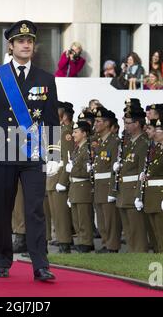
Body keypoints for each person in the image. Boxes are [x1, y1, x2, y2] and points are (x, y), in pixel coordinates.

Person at [0, 20, 60, 281]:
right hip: (4, 152)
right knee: (2, 209)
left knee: (35, 210)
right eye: (20, 41)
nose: (26, 45)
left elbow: (51, 120)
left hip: (33, 154)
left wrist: (54, 153)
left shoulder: (46, 78)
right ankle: (2, 260)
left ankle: (40, 265)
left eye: (30, 41)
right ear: (10, 46)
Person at [114, 101, 149, 252]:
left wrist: (139, 196)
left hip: (134, 191)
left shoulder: (143, 143)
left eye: (128, 123)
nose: (126, 126)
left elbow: (143, 172)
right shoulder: (128, 143)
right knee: (129, 231)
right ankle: (132, 255)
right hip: (124, 192)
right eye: (124, 122)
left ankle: (139, 255)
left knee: (137, 231)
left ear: (137, 124)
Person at [93, 107, 122, 253]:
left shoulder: (114, 141)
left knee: (111, 218)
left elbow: (114, 169)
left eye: (98, 121)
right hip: (99, 185)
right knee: (102, 218)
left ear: (106, 123)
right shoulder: (100, 141)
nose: (95, 124)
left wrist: (113, 189)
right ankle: (105, 243)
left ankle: (112, 246)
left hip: (108, 185)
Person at [66, 121, 94, 253]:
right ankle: (81, 241)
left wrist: (73, 170)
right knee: (76, 219)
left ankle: (86, 242)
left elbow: (88, 171)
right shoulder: (77, 148)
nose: (73, 134)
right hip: (75, 186)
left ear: (84, 133)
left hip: (83, 185)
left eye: (76, 132)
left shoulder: (88, 148)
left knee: (84, 217)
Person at [53, 102, 75, 253]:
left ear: (64, 116)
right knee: (56, 213)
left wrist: (63, 180)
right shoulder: (59, 131)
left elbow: (68, 159)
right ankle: (61, 239)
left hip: (60, 176)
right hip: (52, 176)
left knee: (61, 214)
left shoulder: (66, 133)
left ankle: (65, 242)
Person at [139, 119, 163, 252]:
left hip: (160, 193)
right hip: (152, 194)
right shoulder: (156, 148)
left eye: (159, 131)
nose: (157, 133)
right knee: (155, 232)